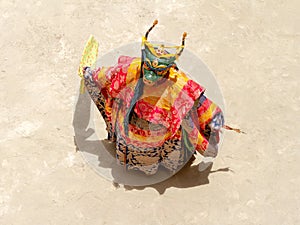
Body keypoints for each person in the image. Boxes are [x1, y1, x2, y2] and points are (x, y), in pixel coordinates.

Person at [78, 20, 240, 175]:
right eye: (148, 69)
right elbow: (107, 75)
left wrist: (210, 126)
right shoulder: (131, 70)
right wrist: (89, 73)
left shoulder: (177, 85)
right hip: (132, 132)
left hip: (159, 138)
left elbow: (199, 105)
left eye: (157, 72)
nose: (150, 76)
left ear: (168, 70)